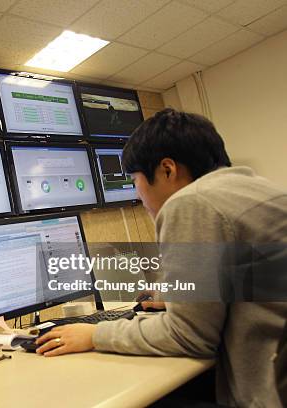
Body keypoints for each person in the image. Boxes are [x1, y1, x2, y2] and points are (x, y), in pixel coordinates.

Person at [35, 109, 287, 407]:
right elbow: (261, 280)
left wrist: (95, 334)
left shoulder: (191, 201)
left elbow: (189, 336)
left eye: (136, 181)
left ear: (167, 170)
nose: (139, 197)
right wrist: (182, 295)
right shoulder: (257, 189)